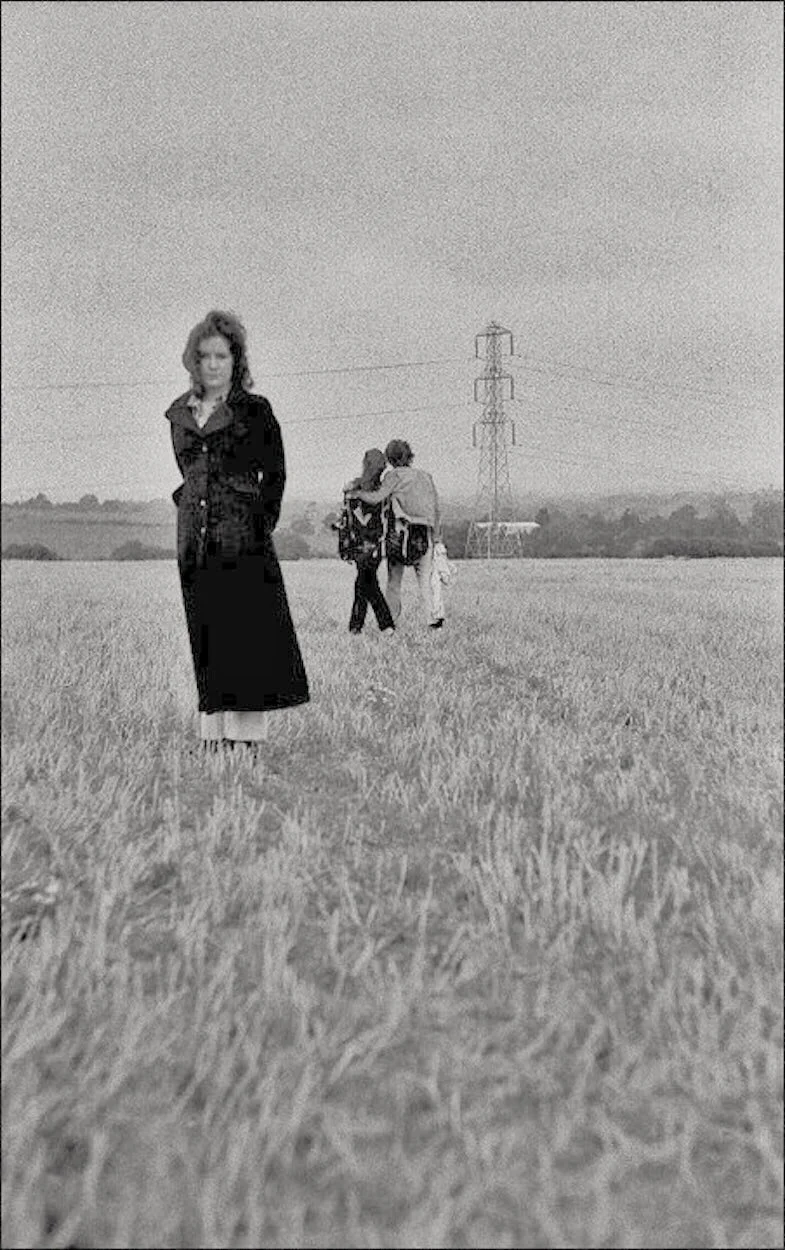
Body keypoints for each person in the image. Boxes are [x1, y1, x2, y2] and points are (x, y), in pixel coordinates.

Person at [166, 310, 309, 749]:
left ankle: (244, 740)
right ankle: (212, 735)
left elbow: (275, 474)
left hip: (244, 538)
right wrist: (191, 510)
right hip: (195, 541)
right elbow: (189, 473)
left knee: (248, 637)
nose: (212, 364)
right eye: (204, 356)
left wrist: (257, 524)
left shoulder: (255, 410)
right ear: (193, 360)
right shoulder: (179, 414)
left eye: (221, 356)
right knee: (208, 635)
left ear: (236, 360)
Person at [347, 439, 445, 629]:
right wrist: (437, 538)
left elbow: (377, 498)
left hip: (401, 535)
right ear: (410, 456)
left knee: (394, 582)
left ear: (391, 459)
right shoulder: (426, 476)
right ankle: (433, 620)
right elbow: (436, 510)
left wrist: (357, 494)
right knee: (425, 582)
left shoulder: (394, 476)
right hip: (425, 535)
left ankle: (391, 622)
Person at [342, 449, 396, 637]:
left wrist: (345, 546)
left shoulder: (352, 488)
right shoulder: (383, 491)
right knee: (365, 582)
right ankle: (357, 626)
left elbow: (347, 517)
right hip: (376, 545)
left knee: (366, 583)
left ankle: (383, 625)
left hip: (358, 544)